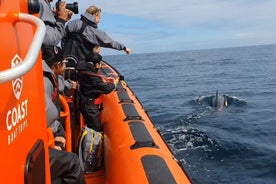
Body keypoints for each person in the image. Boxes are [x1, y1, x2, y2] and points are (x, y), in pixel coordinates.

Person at [42, 45, 85, 184]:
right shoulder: (45, 81)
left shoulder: (47, 74)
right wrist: (56, 135)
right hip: (46, 134)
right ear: (58, 64)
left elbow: (60, 84)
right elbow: (46, 112)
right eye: (65, 63)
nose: (66, 66)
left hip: (50, 128)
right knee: (72, 162)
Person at [62, 5, 131, 61]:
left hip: (65, 58)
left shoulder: (71, 23)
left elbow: (63, 39)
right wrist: (124, 48)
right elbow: (109, 42)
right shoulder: (93, 31)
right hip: (82, 62)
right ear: (95, 15)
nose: (99, 20)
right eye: (99, 17)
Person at [78, 51, 117, 131]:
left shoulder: (82, 70)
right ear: (96, 64)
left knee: (90, 125)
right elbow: (106, 89)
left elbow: (93, 83)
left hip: (84, 103)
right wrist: (114, 83)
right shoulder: (91, 76)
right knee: (95, 129)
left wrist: (104, 81)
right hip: (89, 107)